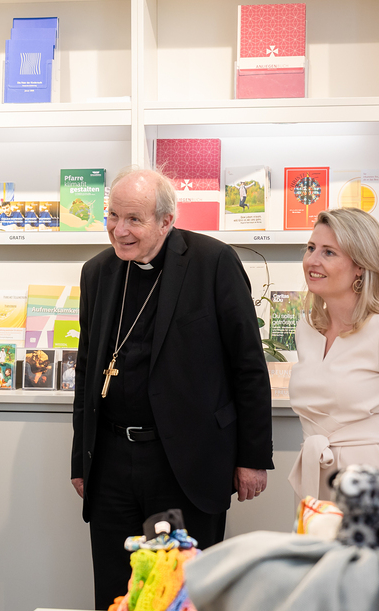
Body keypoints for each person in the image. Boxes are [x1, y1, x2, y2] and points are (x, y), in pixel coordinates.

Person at [70, 169, 273, 610]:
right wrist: (81, 460)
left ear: (166, 221)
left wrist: (252, 458)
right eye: (113, 215)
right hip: (111, 462)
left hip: (186, 461)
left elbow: (248, 367)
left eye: (134, 219)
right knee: (117, 590)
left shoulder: (214, 263)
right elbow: (86, 371)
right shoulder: (97, 272)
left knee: (181, 593)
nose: (119, 230)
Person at [288, 208, 379, 501]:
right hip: (316, 479)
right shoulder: (307, 328)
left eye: (328, 252)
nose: (312, 260)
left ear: (360, 266)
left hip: (378, 484)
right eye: (311, 248)